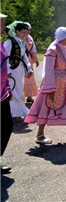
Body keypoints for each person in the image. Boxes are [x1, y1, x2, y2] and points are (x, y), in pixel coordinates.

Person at [24, 27, 66, 145]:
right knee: (45, 107)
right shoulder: (53, 50)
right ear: (62, 37)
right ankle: (40, 135)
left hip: (65, 83)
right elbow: (48, 71)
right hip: (53, 83)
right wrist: (50, 88)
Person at [4, 21, 33, 118]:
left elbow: (24, 56)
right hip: (12, 70)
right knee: (13, 88)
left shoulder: (22, 42)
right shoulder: (9, 42)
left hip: (19, 69)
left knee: (19, 88)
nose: (25, 34)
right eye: (23, 32)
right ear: (17, 31)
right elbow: (5, 57)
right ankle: (12, 111)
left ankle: (20, 109)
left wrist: (28, 69)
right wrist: (7, 71)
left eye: (26, 32)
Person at [0, 13, 13, 174]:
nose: (4, 27)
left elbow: (5, 68)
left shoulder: (1, 44)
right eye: (2, 24)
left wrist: (8, 87)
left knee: (7, 125)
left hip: (2, 92)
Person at [23, 23, 39, 103]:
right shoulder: (21, 37)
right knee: (22, 77)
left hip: (28, 58)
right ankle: (19, 96)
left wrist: (35, 59)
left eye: (30, 29)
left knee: (30, 76)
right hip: (22, 58)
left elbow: (33, 48)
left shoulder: (30, 38)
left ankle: (29, 96)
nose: (29, 31)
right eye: (28, 29)